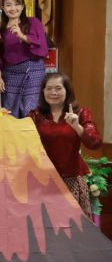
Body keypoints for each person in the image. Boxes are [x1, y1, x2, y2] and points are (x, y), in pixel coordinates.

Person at [29, 73, 102, 215]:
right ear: (43, 91)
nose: (53, 92)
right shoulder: (35, 115)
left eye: (58, 88)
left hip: (72, 179)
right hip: (44, 180)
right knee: (46, 223)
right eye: (49, 88)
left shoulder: (81, 113)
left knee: (72, 225)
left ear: (67, 90)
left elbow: (95, 143)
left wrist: (77, 127)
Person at [0, 0, 48, 118]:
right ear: (3, 8)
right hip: (9, 73)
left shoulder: (33, 22)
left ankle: (31, 131)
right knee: (9, 110)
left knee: (30, 109)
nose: (13, 8)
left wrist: (22, 36)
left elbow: (41, 45)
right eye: (8, 5)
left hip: (33, 70)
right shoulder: (0, 29)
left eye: (17, 4)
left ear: (22, 7)